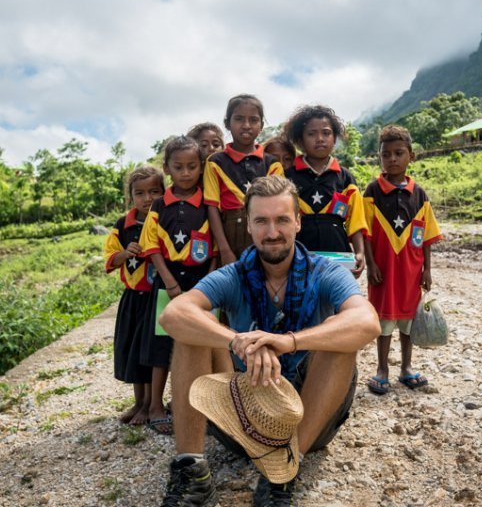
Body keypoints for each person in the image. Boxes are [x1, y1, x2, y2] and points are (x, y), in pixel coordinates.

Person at [158, 176, 380, 506]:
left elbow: (367, 322)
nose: (272, 232)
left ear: (298, 222)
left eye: (281, 220)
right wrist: (240, 342)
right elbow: (172, 314)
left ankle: (287, 469)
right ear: (248, 225)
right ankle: (192, 470)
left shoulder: (325, 271)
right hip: (245, 417)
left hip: (310, 418)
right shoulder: (233, 274)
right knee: (194, 328)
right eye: (261, 221)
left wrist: (288, 342)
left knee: (340, 335)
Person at [138, 136, 218, 434]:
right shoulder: (160, 205)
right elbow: (151, 246)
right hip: (167, 282)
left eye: (192, 166)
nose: (186, 173)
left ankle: (203, 405)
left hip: (201, 283)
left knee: (201, 341)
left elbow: (214, 250)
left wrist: (208, 284)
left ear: (202, 167)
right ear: (167, 168)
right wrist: (169, 283)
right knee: (163, 343)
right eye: (178, 167)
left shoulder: (208, 205)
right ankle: (156, 405)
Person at [363, 125, 443, 395]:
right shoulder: (372, 191)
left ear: (411, 155)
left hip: (410, 270)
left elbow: (428, 235)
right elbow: (365, 231)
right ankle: (382, 369)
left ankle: (406, 367)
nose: (393, 159)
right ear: (379, 157)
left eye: (399, 153)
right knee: (384, 322)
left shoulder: (419, 194)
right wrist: (371, 264)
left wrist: (427, 269)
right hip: (383, 270)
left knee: (408, 320)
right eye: (386, 154)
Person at [103, 166, 165, 425]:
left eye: (153, 191)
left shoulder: (165, 217)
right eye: (139, 193)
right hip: (133, 297)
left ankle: (152, 403)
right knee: (131, 349)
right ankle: (139, 402)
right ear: (130, 197)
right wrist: (124, 253)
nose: (147, 198)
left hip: (155, 296)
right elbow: (110, 259)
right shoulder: (122, 226)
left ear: (163, 192)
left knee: (149, 351)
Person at [283, 104, 367, 278]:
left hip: (339, 254)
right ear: (300, 140)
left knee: (336, 301)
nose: (320, 138)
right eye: (311, 134)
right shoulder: (287, 177)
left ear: (335, 139)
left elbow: (356, 221)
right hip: (298, 255)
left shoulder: (345, 178)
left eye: (326, 133)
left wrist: (359, 252)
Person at [204, 94, 284, 266]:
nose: (246, 125)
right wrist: (224, 250)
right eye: (239, 119)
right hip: (228, 235)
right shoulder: (215, 163)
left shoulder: (272, 164)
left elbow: (279, 206)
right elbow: (212, 208)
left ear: (261, 126)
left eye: (253, 120)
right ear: (227, 123)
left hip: (264, 230)